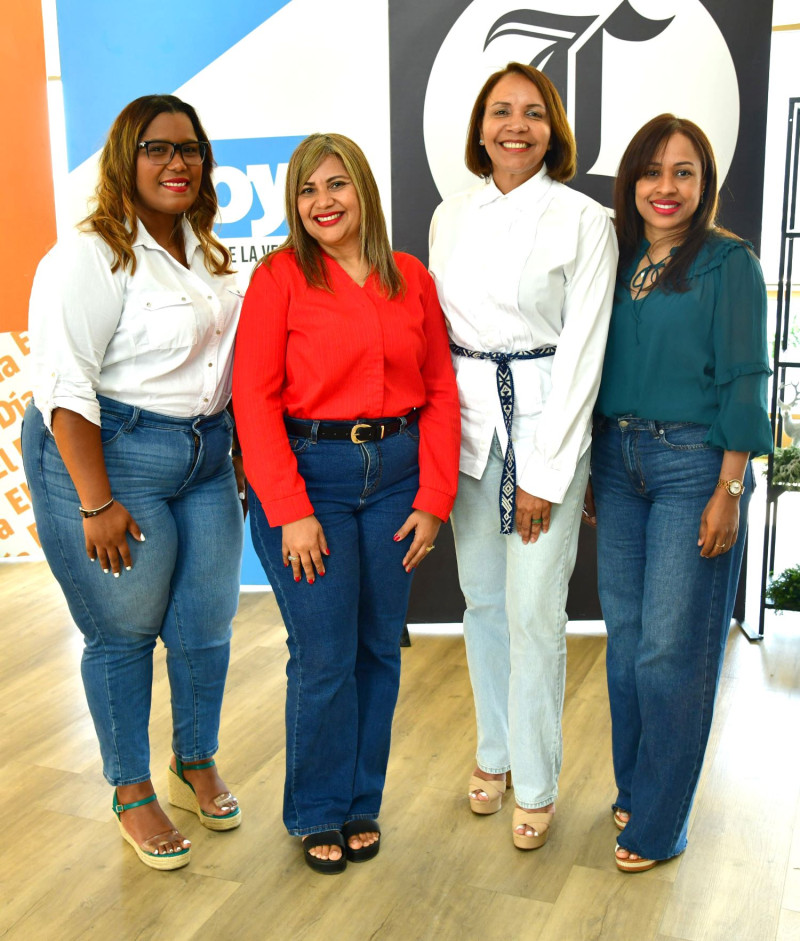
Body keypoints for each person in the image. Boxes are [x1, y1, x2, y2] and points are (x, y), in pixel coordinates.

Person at [22, 94, 244, 871]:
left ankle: (194, 759)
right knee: (124, 630)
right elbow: (64, 388)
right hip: (108, 457)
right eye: (157, 149)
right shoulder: (88, 257)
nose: (177, 163)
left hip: (205, 460)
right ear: (126, 159)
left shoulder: (209, 250)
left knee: (207, 623)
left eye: (189, 150)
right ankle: (132, 788)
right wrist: (96, 501)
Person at [232, 132, 460, 874]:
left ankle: (362, 799)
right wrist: (290, 508)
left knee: (377, 649)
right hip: (312, 480)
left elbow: (438, 392)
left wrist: (434, 496)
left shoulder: (409, 278)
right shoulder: (278, 280)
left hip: (396, 479)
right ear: (294, 206)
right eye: (306, 190)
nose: (323, 202)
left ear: (363, 188)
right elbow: (253, 400)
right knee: (325, 654)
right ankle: (317, 809)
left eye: (336, 184)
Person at [428, 62, 617, 849]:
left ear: (554, 130)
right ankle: (495, 751)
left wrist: (544, 471)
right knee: (481, 601)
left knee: (537, 611)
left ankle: (535, 779)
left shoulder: (584, 219)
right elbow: (440, 340)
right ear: (479, 129)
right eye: (501, 112)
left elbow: (583, 353)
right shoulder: (450, 216)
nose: (516, 125)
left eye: (533, 113)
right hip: (468, 430)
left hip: (545, 427)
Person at [589, 114, 772, 871]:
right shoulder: (616, 255)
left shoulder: (729, 264)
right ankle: (639, 787)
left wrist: (730, 486)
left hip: (695, 464)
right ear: (631, 180)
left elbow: (744, 380)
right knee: (628, 646)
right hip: (616, 461)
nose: (667, 188)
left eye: (685, 172)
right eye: (652, 171)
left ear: (706, 184)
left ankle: (661, 823)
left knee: (673, 649)